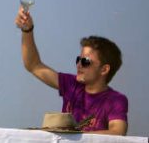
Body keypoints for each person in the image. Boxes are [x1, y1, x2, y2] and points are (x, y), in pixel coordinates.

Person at [15, 7, 128, 135]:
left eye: (85, 61)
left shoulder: (115, 100)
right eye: (78, 60)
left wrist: (73, 137)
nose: (79, 65)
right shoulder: (71, 85)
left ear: (104, 69)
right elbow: (33, 65)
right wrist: (27, 30)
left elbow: (118, 132)